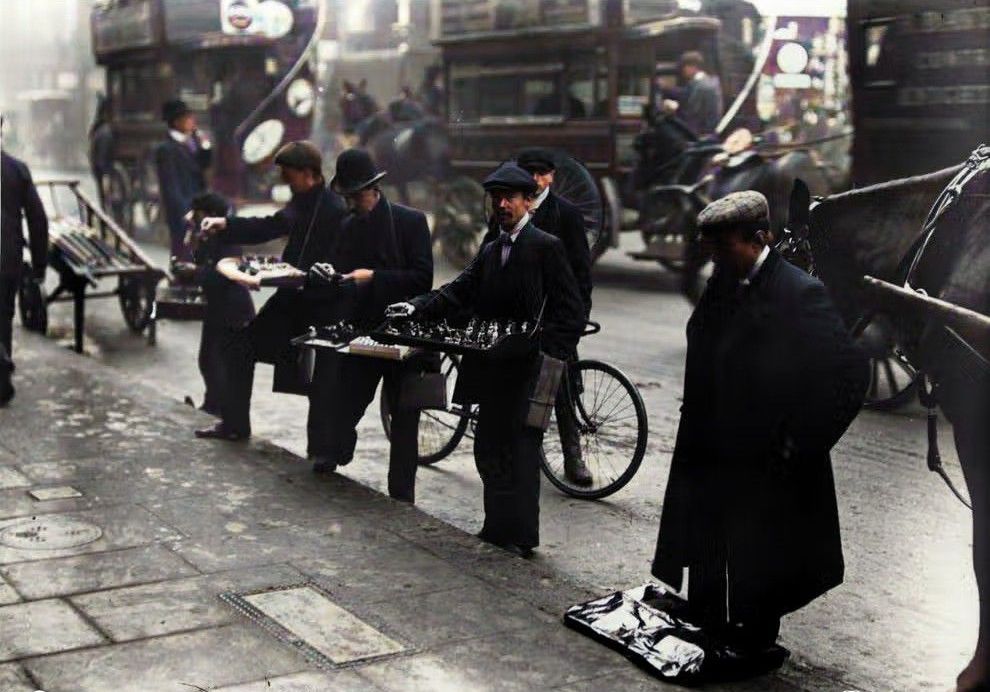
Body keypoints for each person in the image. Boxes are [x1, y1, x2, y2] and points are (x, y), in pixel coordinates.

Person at [651, 191, 869, 669]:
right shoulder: (723, 279)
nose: (716, 258)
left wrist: (801, 442)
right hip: (713, 440)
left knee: (760, 550)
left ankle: (754, 635)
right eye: (711, 250)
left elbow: (851, 373)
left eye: (724, 247)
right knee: (707, 533)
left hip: (766, 450)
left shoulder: (798, 292)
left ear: (760, 238)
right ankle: (707, 617)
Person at [389, 162, 585, 557]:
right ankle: (496, 528)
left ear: (528, 202)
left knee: (521, 452)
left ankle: (522, 537)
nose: (502, 204)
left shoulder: (546, 246)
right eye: (496, 198)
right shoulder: (493, 249)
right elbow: (459, 290)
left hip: (528, 369)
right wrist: (415, 307)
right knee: (489, 447)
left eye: (510, 197)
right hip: (492, 366)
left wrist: (550, 354)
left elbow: (571, 311)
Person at [193, 141, 346, 445]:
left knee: (319, 380)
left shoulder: (333, 208)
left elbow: (335, 264)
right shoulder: (303, 200)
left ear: (308, 173)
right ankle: (234, 425)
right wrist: (225, 225)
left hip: (319, 307)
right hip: (291, 302)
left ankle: (321, 451)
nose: (285, 182)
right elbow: (269, 226)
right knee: (238, 346)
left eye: (289, 175)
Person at [306, 148, 433, 503]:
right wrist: (326, 273)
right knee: (346, 399)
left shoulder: (411, 222)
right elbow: (339, 272)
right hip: (363, 330)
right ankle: (334, 453)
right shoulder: (348, 226)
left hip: (404, 333)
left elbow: (422, 279)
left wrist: (371, 277)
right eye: (346, 196)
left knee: (404, 416)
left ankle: (402, 492)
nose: (350, 203)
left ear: (372, 190)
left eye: (355, 196)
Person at [481, 148, 594, 486]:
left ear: (551, 177)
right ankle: (521, 450)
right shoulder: (505, 209)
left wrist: (575, 319)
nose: (535, 178)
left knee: (560, 387)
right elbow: (486, 257)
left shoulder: (567, 215)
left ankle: (572, 455)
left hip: (555, 316)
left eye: (541, 173)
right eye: (529, 172)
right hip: (516, 317)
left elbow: (581, 273)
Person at [174, 192, 255, 417]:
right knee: (208, 359)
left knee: (218, 362)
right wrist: (192, 239)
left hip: (232, 309)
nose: (194, 217)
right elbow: (202, 262)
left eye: (198, 213)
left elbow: (224, 274)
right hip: (217, 307)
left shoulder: (227, 238)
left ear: (210, 214)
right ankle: (213, 405)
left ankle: (219, 410)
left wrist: (195, 272)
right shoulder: (208, 235)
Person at [0, 139, 48, 407]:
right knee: (3, 317)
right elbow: (37, 219)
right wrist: (39, 265)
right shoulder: (16, 169)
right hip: (7, 258)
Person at [155, 99, 212, 260]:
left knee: (197, 249)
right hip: (181, 209)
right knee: (182, 248)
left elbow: (203, 166)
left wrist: (205, 146)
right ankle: (180, 279)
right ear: (177, 121)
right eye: (188, 118)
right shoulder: (166, 149)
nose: (192, 122)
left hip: (196, 205)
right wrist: (185, 211)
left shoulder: (192, 142)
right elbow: (171, 186)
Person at [660, 51, 724, 137]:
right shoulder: (702, 82)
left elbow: (691, 112)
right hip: (705, 132)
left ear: (693, 67)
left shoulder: (702, 86)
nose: (683, 70)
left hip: (701, 135)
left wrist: (674, 109)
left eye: (684, 67)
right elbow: (685, 93)